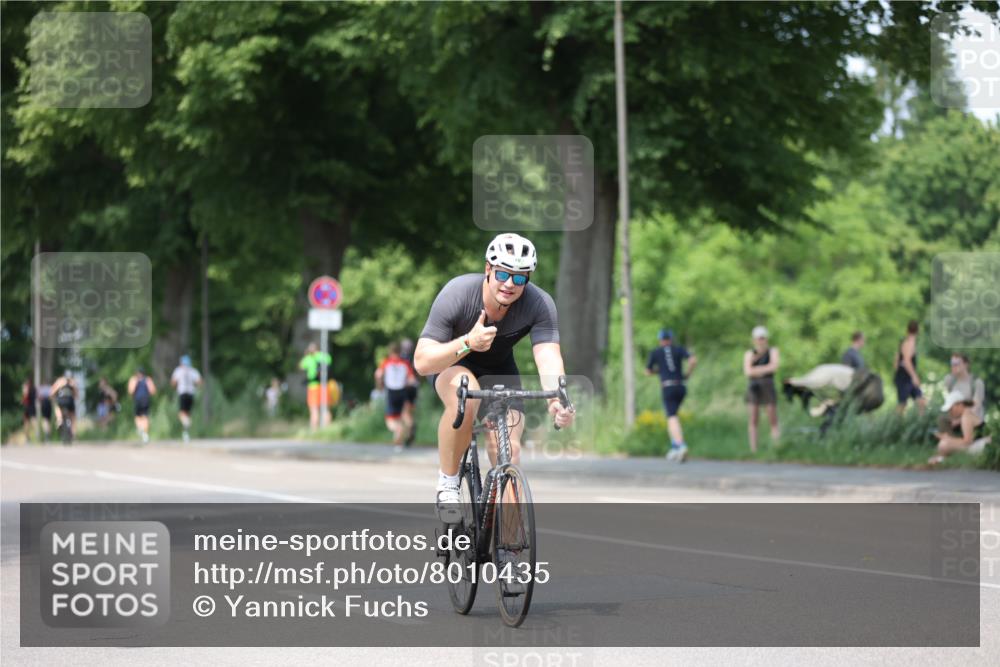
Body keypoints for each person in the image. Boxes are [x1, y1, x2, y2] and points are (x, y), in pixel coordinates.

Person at [414, 233, 575, 529]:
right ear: (488, 269)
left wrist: (556, 399)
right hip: (453, 361)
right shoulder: (458, 294)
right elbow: (423, 361)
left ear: (528, 278)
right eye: (502, 273)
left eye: (519, 278)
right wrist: (467, 342)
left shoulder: (539, 303)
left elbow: (548, 355)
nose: (509, 284)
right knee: (468, 395)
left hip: (500, 369)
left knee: (508, 449)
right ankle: (448, 484)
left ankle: (510, 546)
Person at [645, 328, 697, 462]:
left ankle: (681, 445)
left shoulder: (656, 352)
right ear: (671, 339)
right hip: (681, 385)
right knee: (673, 416)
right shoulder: (679, 349)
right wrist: (688, 374)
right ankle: (674, 446)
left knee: (672, 417)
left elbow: (648, 371)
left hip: (668, 386)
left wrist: (660, 370)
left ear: (660, 340)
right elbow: (692, 360)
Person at [743, 326, 780, 453]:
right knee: (753, 419)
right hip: (754, 387)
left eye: (763, 338)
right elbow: (748, 372)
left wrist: (756, 370)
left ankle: (776, 448)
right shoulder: (750, 353)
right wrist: (764, 369)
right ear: (754, 339)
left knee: (772, 418)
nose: (761, 341)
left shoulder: (772, 351)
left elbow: (774, 367)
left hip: (768, 385)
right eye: (758, 338)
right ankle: (754, 449)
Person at [929, 390, 991, 464]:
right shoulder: (967, 414)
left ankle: (941, 459)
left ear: (960, 404)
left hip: (983, 444)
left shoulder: (966, 417)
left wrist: (948, 439)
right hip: (980, 443)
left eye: (951, 409)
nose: (950, 412)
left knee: (943, 444)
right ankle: (941, 458)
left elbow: (968, 441)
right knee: (944, 444)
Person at [375, 343, 417, 451]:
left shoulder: (386, 362)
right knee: (404, 414)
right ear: (399, 352)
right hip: (402, 391)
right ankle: (409, 426)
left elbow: (378, 374)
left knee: (391, 420)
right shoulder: (405, 363)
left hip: (391, 392)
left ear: (390, 352)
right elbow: (411, 380)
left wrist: (380, 386)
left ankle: (398, 432)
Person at [942, 353, 986, 428]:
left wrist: (959, 420)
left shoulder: (976, 382)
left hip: (973, 423)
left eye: (957, 363)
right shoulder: (950, 381)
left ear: (966, 364)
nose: (953, 366)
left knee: (966, 417)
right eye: (952, 363)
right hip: (956, 423)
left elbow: (976, 407)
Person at [893, 319, 926, 415]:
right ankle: (893, 425)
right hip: (905, 377)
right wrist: (914, 376)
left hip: (903, 376)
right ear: (918, 330)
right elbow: (906, 361)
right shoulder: (909, 343)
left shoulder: (904, 342)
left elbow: (896, 361)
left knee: (920, 401)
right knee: (902, 404)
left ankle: (921, 425)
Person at [300, 342, 333, 430]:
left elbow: (301, 367)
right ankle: (327, 429)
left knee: (314, 409)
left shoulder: (308, 358)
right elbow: (330, 362)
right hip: (324, 385)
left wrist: (306, 355)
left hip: (313, 386)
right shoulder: (324, 356)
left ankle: (314, 430)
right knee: (325, 408)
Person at [170, 355, 203, 442]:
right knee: (187, 413)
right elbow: (200, 381)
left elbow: (173, 382)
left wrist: (175, 386)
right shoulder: (193, 371)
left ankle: (186, 424)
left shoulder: (178, 370)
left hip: (182, 393)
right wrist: (196, 386)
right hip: (191, 393)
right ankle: (186, 432)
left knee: (182, 413)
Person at [128, 367, 157, 443]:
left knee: (137, 416)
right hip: (146, 400)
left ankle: (140, 428)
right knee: (145, 416)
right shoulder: (147, 380)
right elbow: (153, 391)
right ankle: (145, 434)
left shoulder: (134, 379)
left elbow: (131, 391)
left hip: (138, 400)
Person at [399, 337, 419, 447]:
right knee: (409, 412)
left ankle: (409, 427)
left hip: (405, 387)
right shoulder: (415, 357)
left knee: (404, 413)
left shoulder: (401, 359)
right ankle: (408, 436)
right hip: (414, 388)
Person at [50, 370, 79, 442]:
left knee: (56, 407)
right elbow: (76, 395)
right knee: (73, 417)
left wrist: (53, 397)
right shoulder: (73, 382)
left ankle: (59, 420)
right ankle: (73, 434)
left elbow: (52, 392)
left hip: (61, 401)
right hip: (69, 401)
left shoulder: (59, 381)